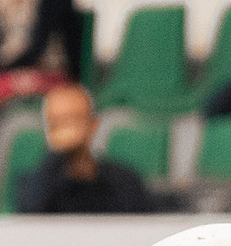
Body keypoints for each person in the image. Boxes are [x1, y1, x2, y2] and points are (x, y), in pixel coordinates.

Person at [17, 83, 154, 214]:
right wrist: (57, 151)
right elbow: (30, 215)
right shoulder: (37, 183)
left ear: (93, 124)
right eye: (56, 123)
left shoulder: (124, 181)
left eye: (73, 119)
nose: (67, 129)